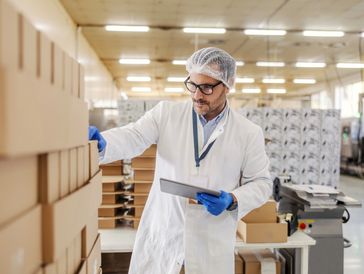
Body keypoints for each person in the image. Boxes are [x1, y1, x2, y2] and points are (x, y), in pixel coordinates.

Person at [89, 47, 272, 274]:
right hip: (163, 239)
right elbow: (134, 136)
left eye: (206, 87)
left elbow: (262, 183)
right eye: (192, 85)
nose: (197, 95)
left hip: (209, 248)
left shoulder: (248, 133)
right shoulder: (167, 114)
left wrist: (233, 199)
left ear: (227, 86)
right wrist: (104, 143)